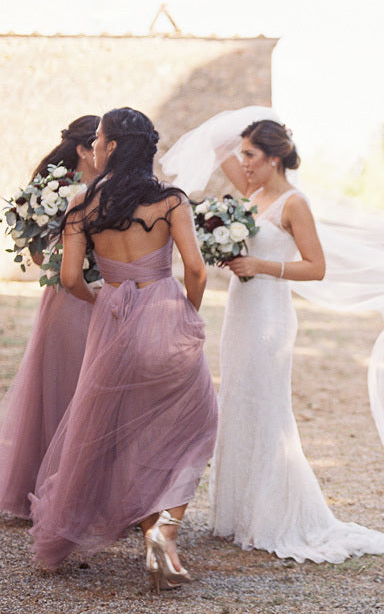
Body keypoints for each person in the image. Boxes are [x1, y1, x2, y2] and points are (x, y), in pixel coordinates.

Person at [27, 108, 218, 591]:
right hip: (165, 311)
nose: (94, 148)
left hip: (113, 318)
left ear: (110, 148)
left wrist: (105, 301)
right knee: (192, 427)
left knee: (113, 429)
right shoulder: (171, 201)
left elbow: (70, 279)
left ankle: (105, 532)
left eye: (100, 140)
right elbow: (196, 270)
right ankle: (163, 531)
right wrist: (186, 313)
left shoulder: (81, 205)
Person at [207, 119, 384, 562]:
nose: (243, 163)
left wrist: (261, 266)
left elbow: (316, 266)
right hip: (241, 309)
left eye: (251, 155)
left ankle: (273, 514)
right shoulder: (252, 194)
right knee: (237, 399)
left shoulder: (295, 203)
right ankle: (240, 512)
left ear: (274, 158)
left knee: (266, 405)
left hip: (270, 311)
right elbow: (217, 143)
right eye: (244, 154)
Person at [0, 115, 101, 519]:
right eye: (100, 144)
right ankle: (58, 490)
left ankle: (74, 486)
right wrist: (65, 267)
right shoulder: (63, 191)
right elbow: (36, 248)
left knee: (84, 385)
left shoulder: (95, 190)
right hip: (72, 297)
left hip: (87, 294)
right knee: (68, 384)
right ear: (82, 149)